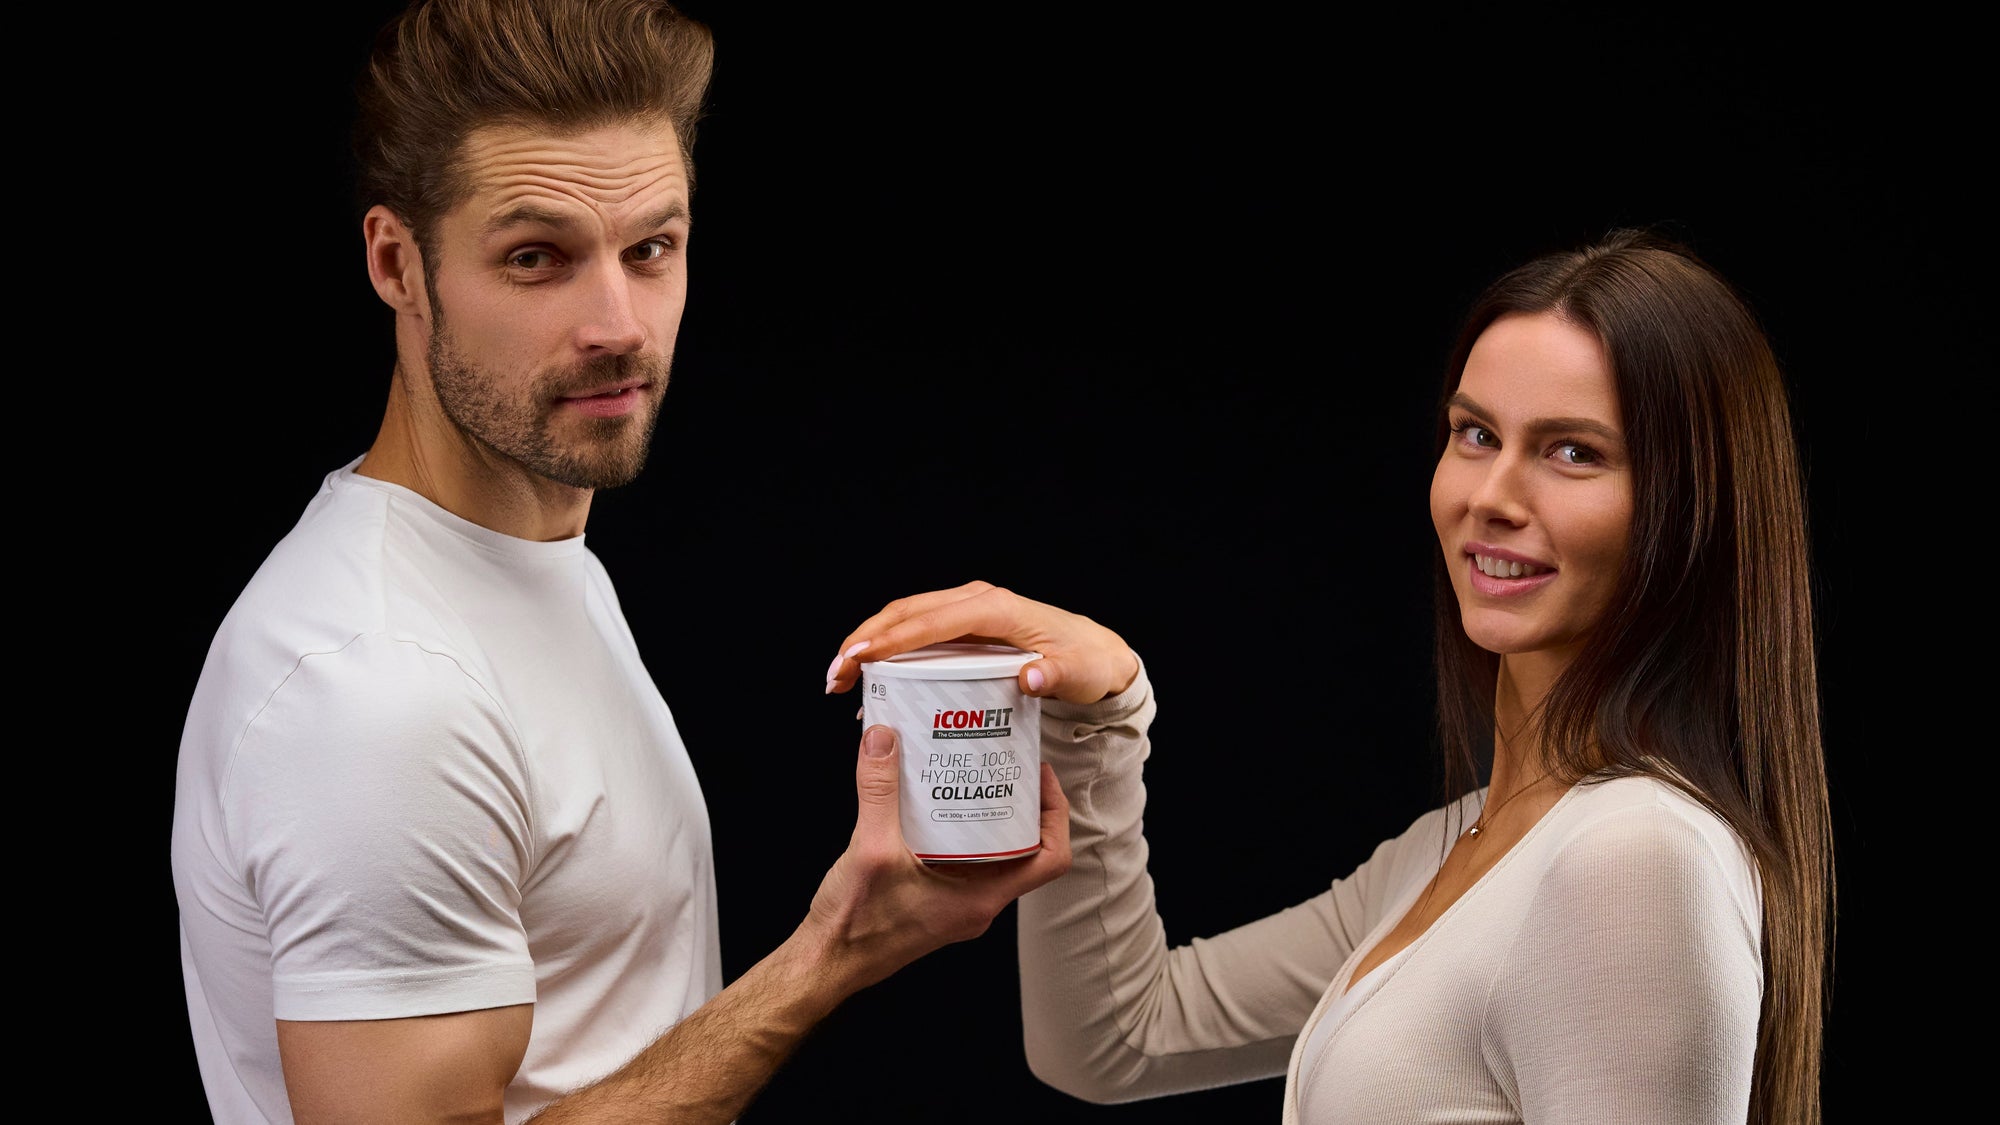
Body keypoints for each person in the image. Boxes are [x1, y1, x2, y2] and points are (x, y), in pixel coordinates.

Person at [168, 2, 1071, 1122]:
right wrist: (831, 955)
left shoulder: (522, 559)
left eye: (650, 250)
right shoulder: (377, 690)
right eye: (536, 257)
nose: (618, 325)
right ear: (397, 264)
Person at [825, 228, 1835, 1123]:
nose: (1490, 494)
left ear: (1689, 511)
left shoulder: (1631, 856)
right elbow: (1113, 1041)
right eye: (1475, 434)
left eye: (1571, 452)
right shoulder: (1455, 849)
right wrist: (1096, 718)